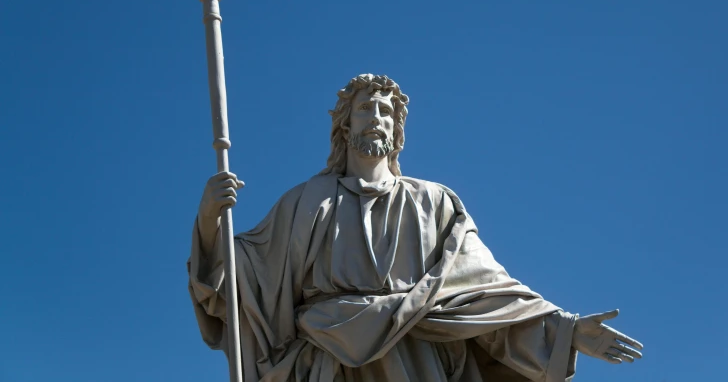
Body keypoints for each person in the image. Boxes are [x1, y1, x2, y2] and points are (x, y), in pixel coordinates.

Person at [188, 74, 643, 382]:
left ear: (398, 130)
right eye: (366, 109)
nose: (378, 118)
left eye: (387, 112)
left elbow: (483, 295)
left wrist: (563, 329)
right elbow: (240, 280)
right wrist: (211, 218)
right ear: (345, 126)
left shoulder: (436, 202)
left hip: (416, 358)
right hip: (328, 361)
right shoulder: (305, 202)